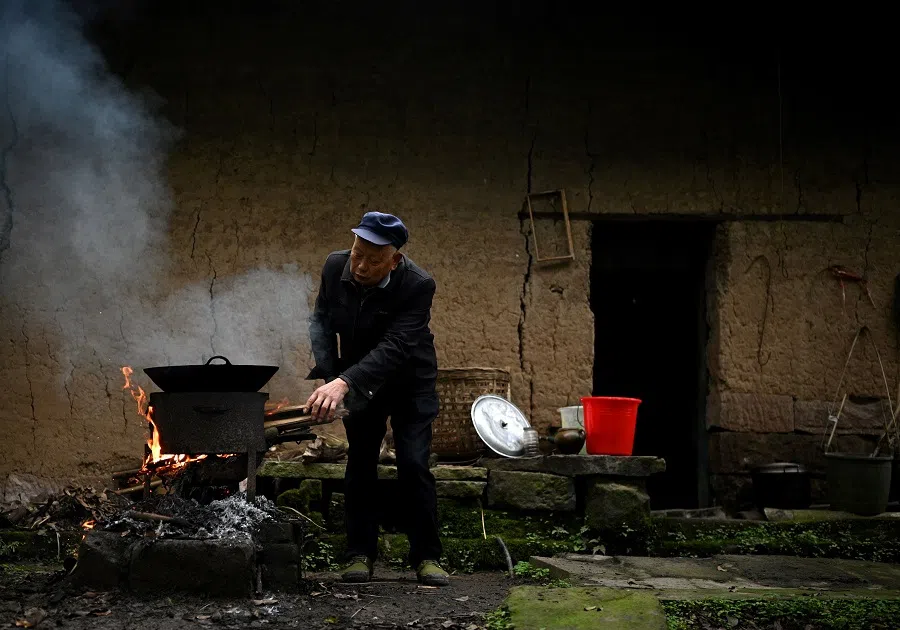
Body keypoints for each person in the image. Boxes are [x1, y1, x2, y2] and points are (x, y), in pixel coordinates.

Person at [305, 211, 449, 586]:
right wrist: (328, 374)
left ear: (394, 259)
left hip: (409, 381)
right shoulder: (335, 266)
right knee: (360, 462)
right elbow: (320, 319)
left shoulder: (419, 284)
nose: (361, 266)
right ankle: (359, 554)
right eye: (357, 254)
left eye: (373, 259)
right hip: (356, 381)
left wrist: (343, 382)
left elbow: (395, 346)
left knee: (414, 464)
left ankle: (426, 557)